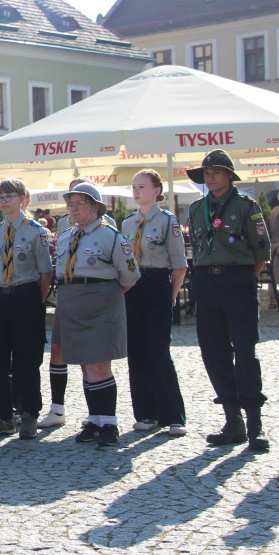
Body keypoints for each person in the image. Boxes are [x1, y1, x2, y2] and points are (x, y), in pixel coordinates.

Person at [186, 150, 271, 452]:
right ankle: (232, 420)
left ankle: (255, 424)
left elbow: (261, 253)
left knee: (246, 351)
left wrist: (240, 275)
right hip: (206, 282)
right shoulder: (197, 209)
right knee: (214, 352)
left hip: (237, 281)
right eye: (206, 174)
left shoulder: (247, 207)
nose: (210, 178)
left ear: (230, 176)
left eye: (216, 173)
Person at [51, 183, 140, 446]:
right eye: (72, 204)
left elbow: (131, 275)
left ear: (95, 207)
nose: (74, 209)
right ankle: (94, 420)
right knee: (86, 366)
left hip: (101, 300)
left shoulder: (110, 236)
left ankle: (109, 423)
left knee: (99, 365)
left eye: (81, 203)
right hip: (71, 301)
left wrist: (104, 295)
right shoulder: (66, 236)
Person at [0, 178, 53, 440]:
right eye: (0, 197)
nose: (4, 201)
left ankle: (30, 414)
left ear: (24, 199)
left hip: (26, 296)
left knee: (27, 361)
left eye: (10, 195)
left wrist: (36, 301)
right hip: (0, 297)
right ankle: (4, 416)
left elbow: (46, 273)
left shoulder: (37, 232)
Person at [120, 169, 187, 436]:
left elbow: (179, 264)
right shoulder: (127, 224)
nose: (136, 191)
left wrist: (171, 294)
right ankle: (145, 413)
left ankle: (173, 415)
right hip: (132, 287)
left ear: (157, 191)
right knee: (137, 351)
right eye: (134, 187)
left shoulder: (168, 221)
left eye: (142, 187)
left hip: (158, 283)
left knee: (159, 351)